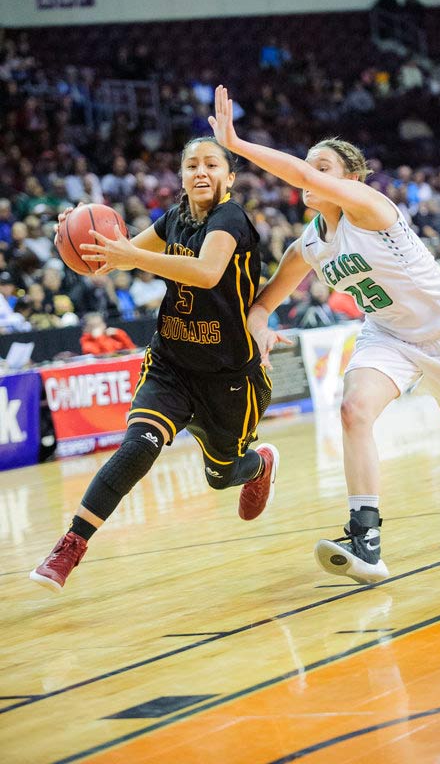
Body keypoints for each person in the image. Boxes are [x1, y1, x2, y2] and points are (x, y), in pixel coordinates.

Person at [208, 85, 440, 585]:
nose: (310, 175)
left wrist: (237, 143)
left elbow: (297, 172)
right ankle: (366, 538)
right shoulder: (311, 244)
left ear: (352, 179)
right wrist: (258, 329)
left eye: (323, 167)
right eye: (308, 167)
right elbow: (266, 302)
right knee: (353, 410)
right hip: (388, 335)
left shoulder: (370, 209)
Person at [30, 137, 279, 593]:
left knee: (222, 474)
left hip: (228, 377)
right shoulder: (174, 219)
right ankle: (69, 547)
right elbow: (109, 262)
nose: (200, 172)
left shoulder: (231, 218)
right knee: (137, 448)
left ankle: (259, 465)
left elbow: (206, 271)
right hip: (172, 365)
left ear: (229, 177)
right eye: (191, 165)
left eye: (210, 165)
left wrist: (131, 254)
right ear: (181, 176)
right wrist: (77, 235)